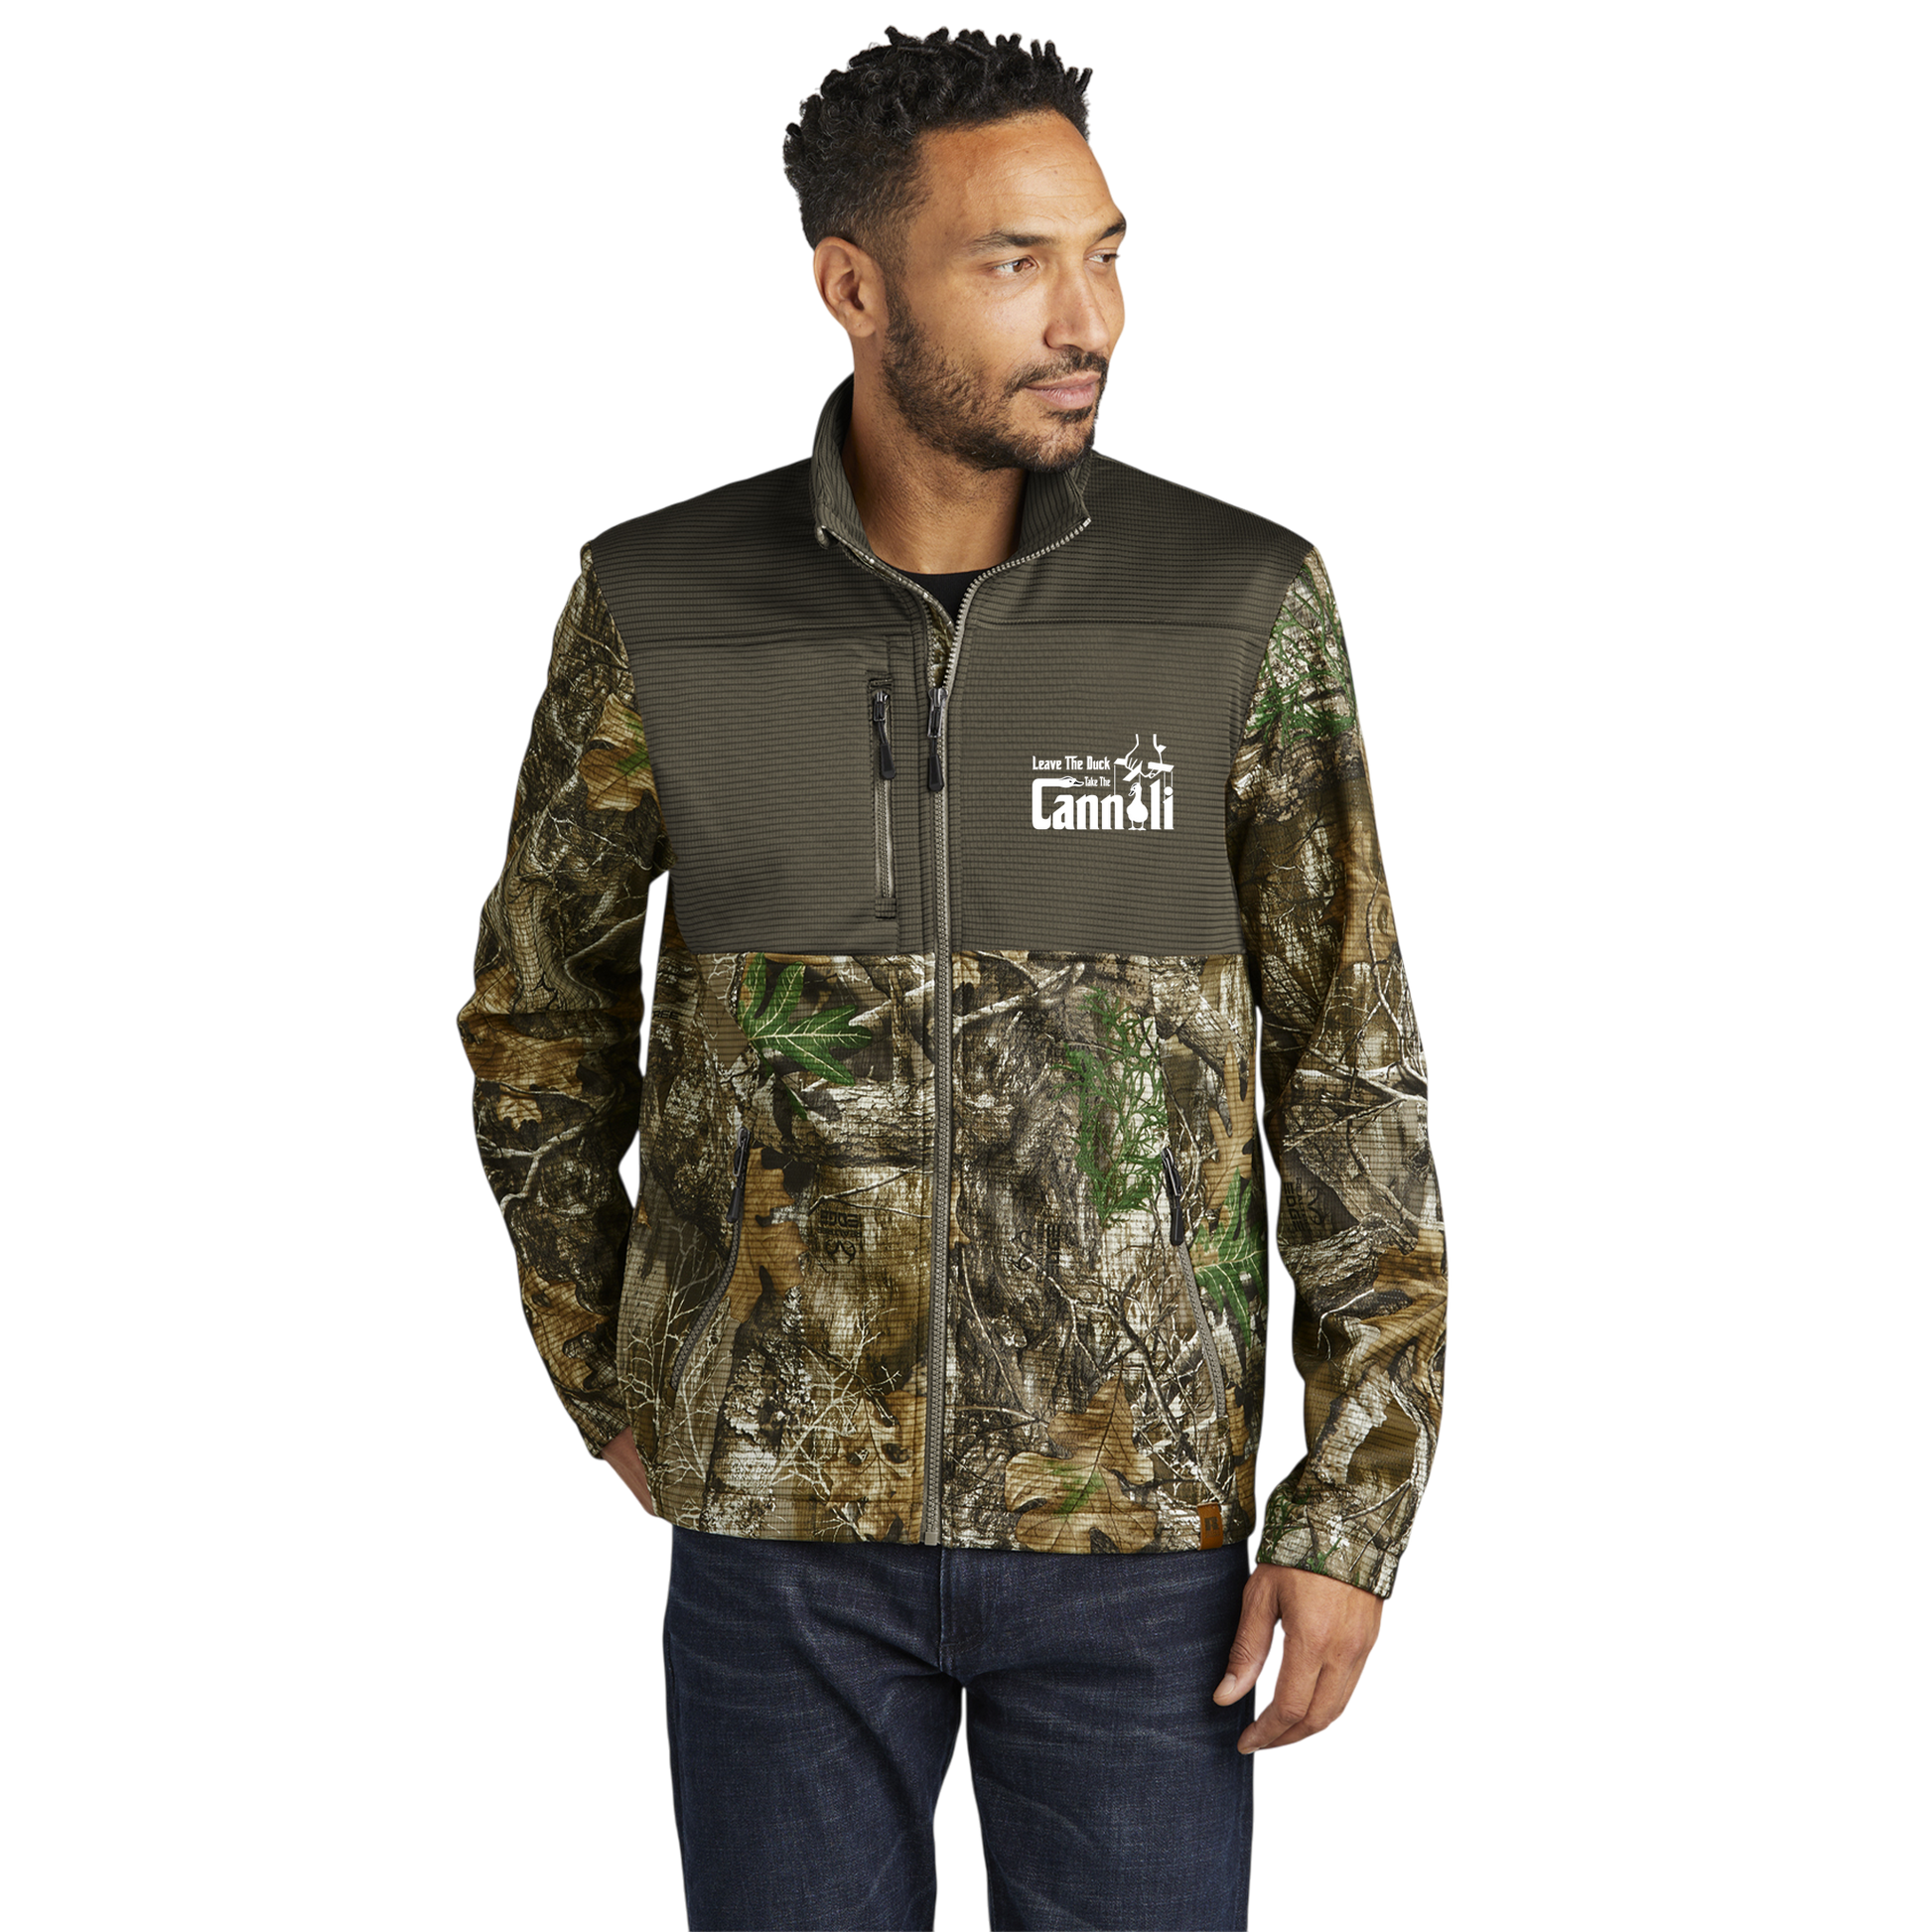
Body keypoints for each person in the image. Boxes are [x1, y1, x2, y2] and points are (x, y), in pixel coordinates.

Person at [455, 23, 1449, 1931]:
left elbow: (1352, 1061)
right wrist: (606, 1373)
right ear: (852, 287)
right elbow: (538, 1015)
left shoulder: (1238, 596)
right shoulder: (658, 601)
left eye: (1108, 254)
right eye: (1014, 263)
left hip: (1143, 1540)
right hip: (774, 1540)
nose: (1090, 320)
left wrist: (1350, 1511)